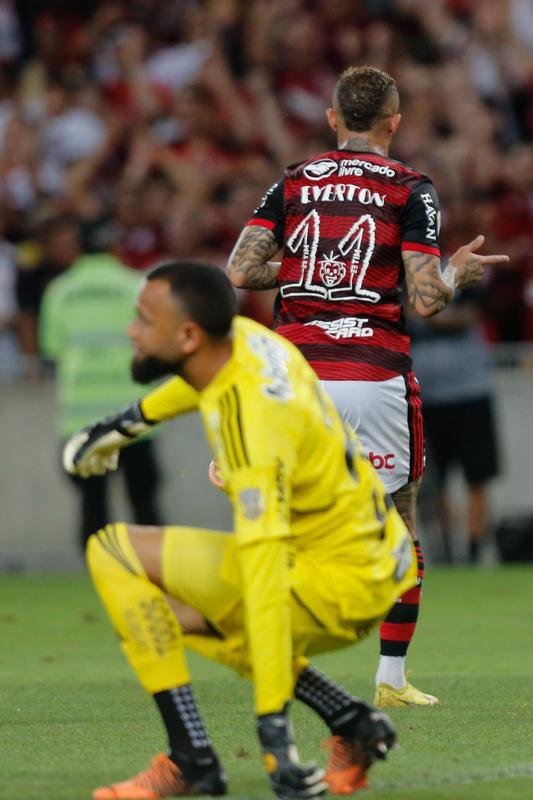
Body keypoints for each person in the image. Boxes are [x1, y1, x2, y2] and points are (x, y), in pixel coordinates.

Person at [63, 260, 417, 800]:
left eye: (142, 319)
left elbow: (267, 583)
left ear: (187, 335)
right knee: (153, 603)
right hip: (377, 554)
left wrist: (275, 737)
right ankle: (350, 722)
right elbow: (197, 380)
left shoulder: (252, 430)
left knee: (135, 574)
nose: (132, 330)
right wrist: (124, 425)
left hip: (339, 585)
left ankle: (192, 760)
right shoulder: (250, 339)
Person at [227, 65, 510, 707]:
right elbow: (427, 298)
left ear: (332, 119)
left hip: (294, 373)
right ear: (395, 122)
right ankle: (390, 680)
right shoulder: (411, 186)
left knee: (284, 522)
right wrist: (458, 273)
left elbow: (241, 269)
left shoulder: (295, 180)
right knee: (399, 520)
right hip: (372, 372)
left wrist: (304, 271)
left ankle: (274, 658)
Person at [40, 219, 162, 550]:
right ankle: (155, 573)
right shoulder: (135, 285)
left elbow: (52, 349)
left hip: (82, 420)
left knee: (93, 506)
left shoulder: (59, 291)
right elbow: (154, 343)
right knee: (144, 504)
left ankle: (98, 576)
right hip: (133, 415)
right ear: (114, 246)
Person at [409, 287, 500, 564]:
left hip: (470, 392)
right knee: (435, 480)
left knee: (477, 476)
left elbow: (469, 316)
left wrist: (428, 317)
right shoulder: (411, 271)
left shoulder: (469, 274)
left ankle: (474, 548)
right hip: (427, 396)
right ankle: (446, 549)